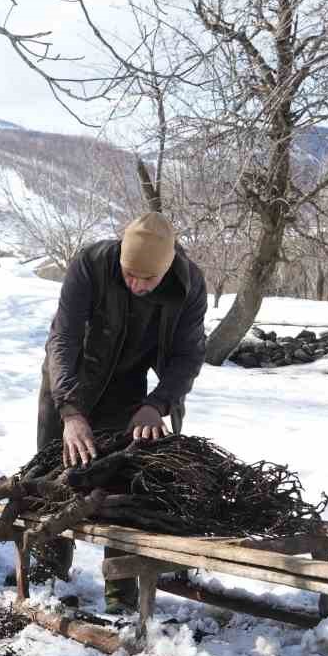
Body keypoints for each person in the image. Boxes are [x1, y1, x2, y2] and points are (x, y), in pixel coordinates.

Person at [36, 212, 208, 612]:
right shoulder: (91, 265)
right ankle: (49, 570)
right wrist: (70, 410)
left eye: (146, 280)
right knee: (55, 473)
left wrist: (156, 404)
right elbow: (62, 339)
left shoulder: (189, 285)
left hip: (130, 390)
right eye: (129, 275)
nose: (136, 284)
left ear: (165, 272)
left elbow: (188, 355)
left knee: (123, 480)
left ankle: (120, 591)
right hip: (70, 380)